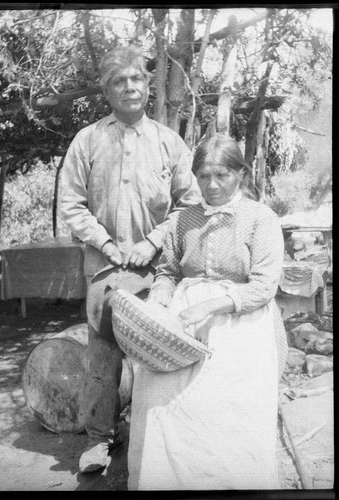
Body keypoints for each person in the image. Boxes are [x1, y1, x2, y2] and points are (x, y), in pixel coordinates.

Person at [59, 45, 201, 474]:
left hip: (158, 269)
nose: (130, 88)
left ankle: (158, 434)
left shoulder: (167, 141)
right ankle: (100, 441)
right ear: (107, 91)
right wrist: (105, 243)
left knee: (161, 347)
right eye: (119, 82)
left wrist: (154, 240)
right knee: (103, 352)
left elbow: (189, 203)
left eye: (136, 79)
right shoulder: (88, 140)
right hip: (104, 267)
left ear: (146, 84)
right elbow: (71, 203)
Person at [127, 133, 288, 490]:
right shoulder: (184, 219)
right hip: (182, 325)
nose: (211, 185)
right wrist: (158, 301)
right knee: (160, 396)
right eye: (203, 176)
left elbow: (263, 286)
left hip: (240, 322)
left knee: (225, 409)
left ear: (241, 175)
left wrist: (207, 306)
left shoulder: (261, 218)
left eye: (222, 176)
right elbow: (168, 271)